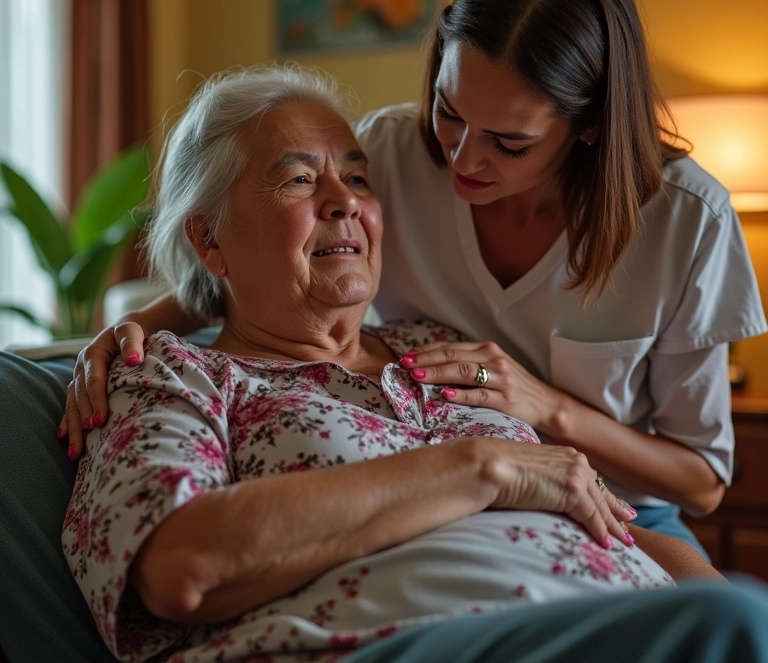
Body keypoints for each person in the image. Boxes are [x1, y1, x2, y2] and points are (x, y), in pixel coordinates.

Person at [63, 0, 767, 557]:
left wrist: (544, 408)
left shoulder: (685, 219)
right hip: (450, 497)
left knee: (707, 600)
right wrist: (125, 336)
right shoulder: (394, 154)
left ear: (587, 129)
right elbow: (265, 253)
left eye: (509, 142)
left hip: (619, 501)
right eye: (450, 109)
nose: (461, 156)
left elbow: (702, 482)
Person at [63, 64, 768, 663]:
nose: (344, 202)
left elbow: (604, 515)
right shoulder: (173, 375)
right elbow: (179, 567)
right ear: (209, 239)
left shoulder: (437, 349)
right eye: (299, 181)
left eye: (358, 179)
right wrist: (475, 470)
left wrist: (698, 583)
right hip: (394, 639)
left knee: (740, 612)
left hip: (608, 616)